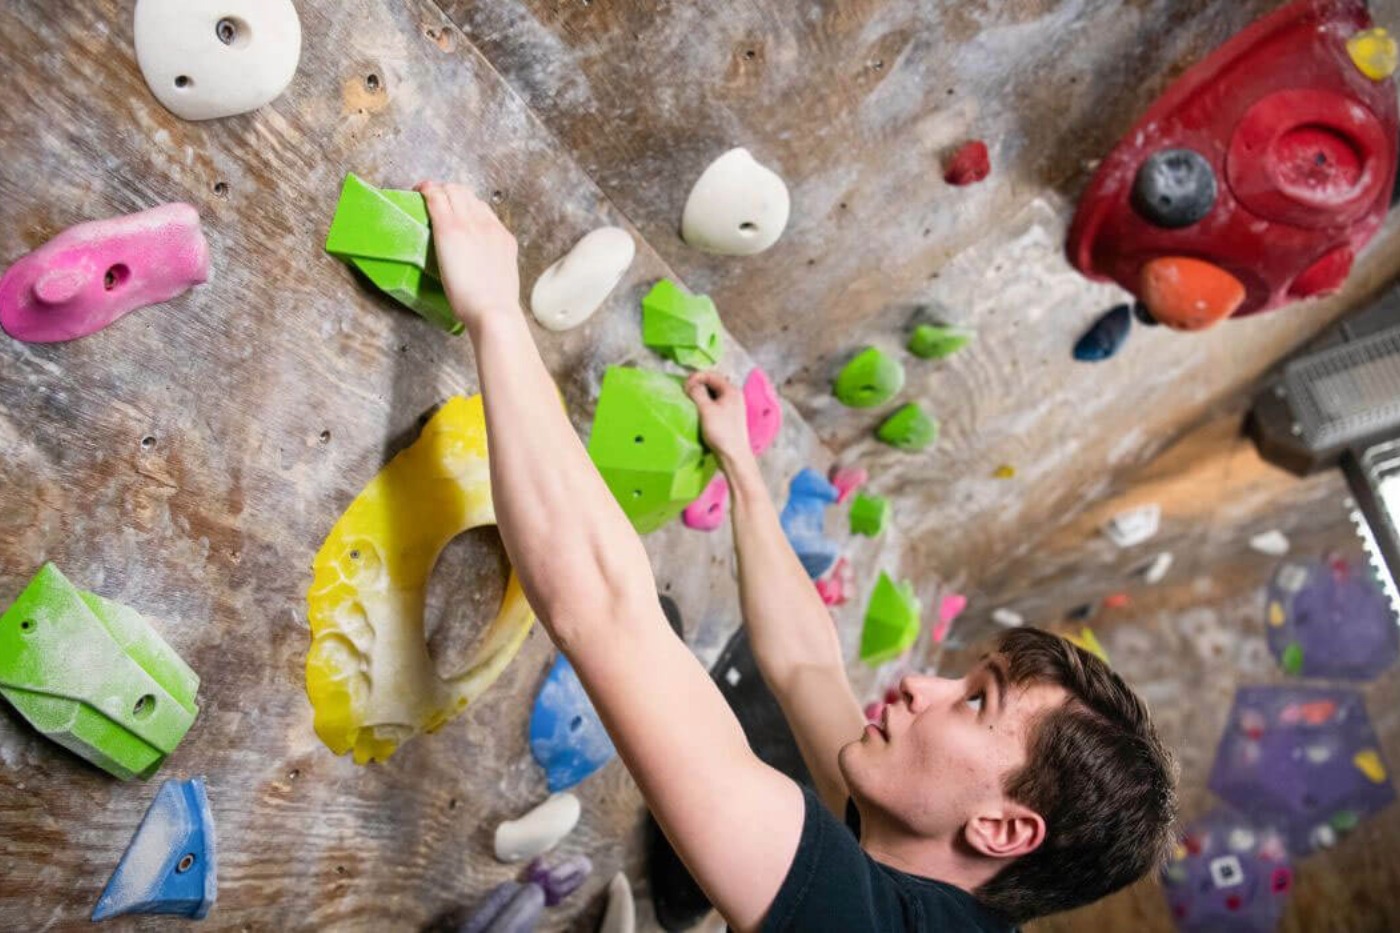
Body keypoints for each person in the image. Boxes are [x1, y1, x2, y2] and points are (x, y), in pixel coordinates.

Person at [415, 181, 1179, 932]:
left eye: (976, 700)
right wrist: (743, 470)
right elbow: (806, 664)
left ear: (1003, 830)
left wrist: (493, 313)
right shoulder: (926, 859)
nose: (918, 682)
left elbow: (607, 613)